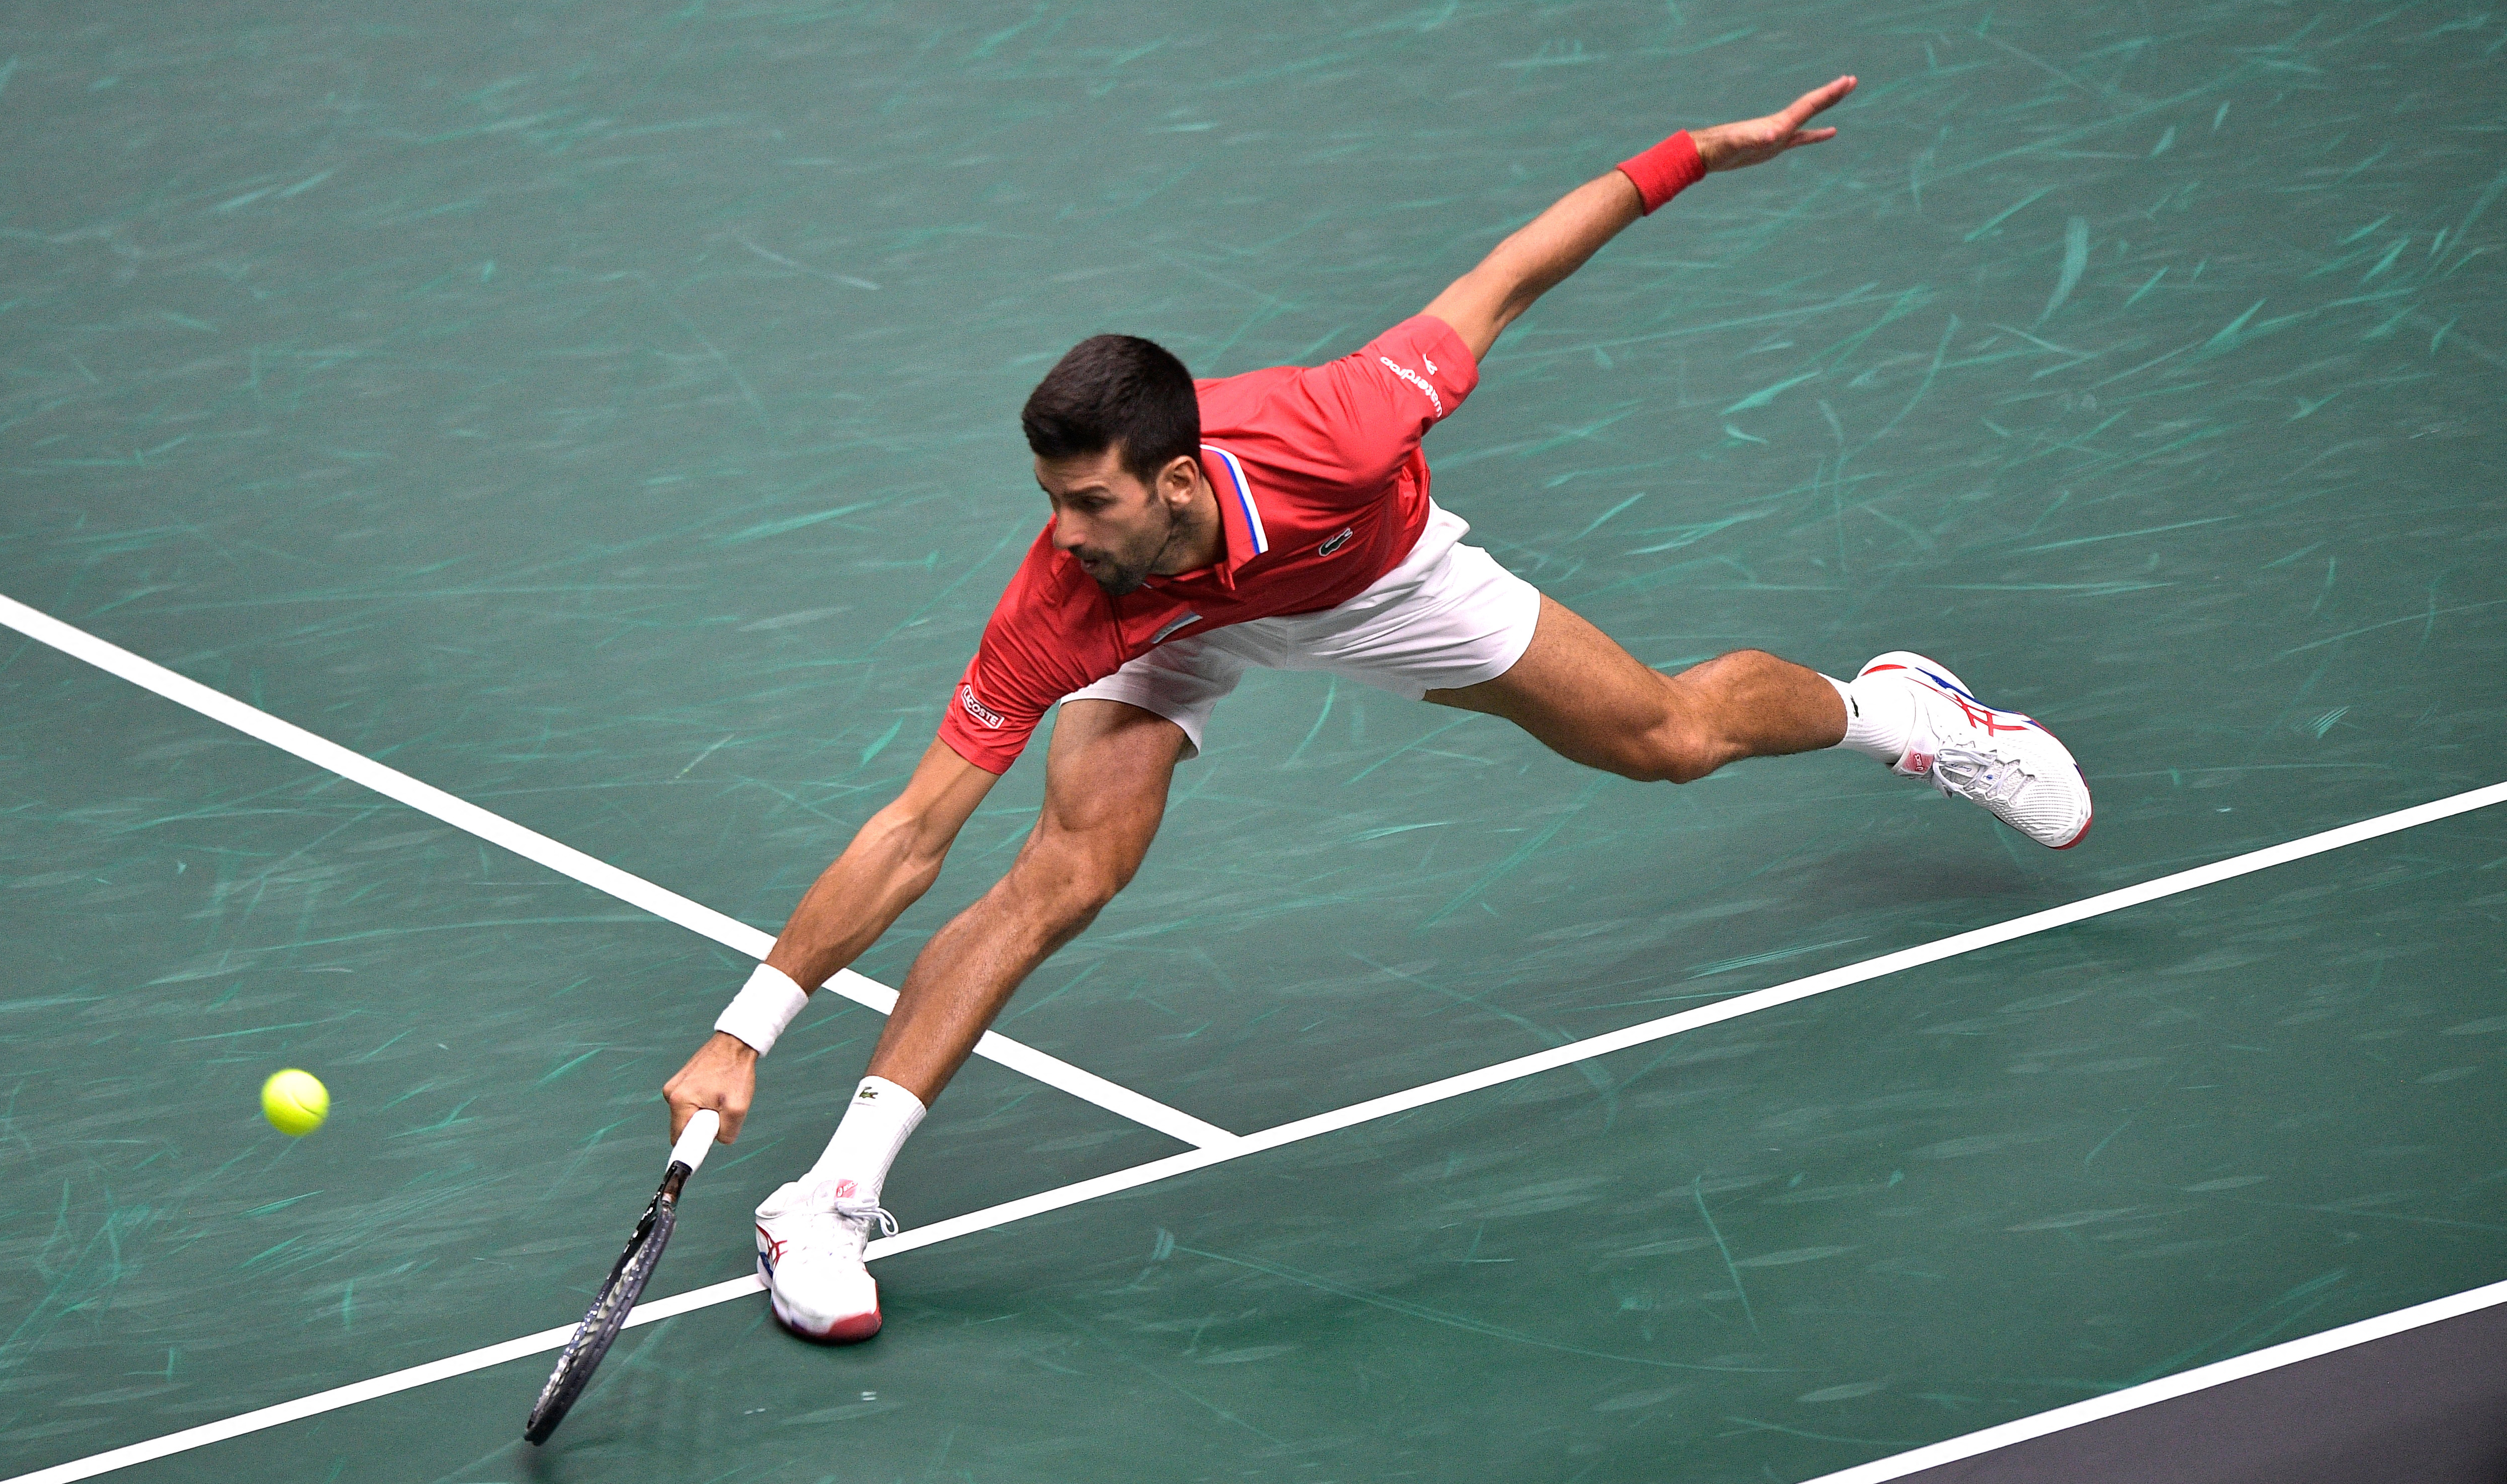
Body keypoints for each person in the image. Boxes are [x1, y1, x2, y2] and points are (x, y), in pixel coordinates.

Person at [662, 74, 2090, 1344]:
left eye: (1085, 501)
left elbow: (1510, 280)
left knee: (1671, 740)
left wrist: (1695, 156)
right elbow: (917, 830)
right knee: (1061, 872)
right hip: (1167, 634)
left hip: (1374, 582)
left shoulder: (1334, 430)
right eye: (1048, 501)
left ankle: (1897, 710)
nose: (1060, 530)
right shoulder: (1072, 591)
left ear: (1174, 480)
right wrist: (745, 1031)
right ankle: (828, 1198)